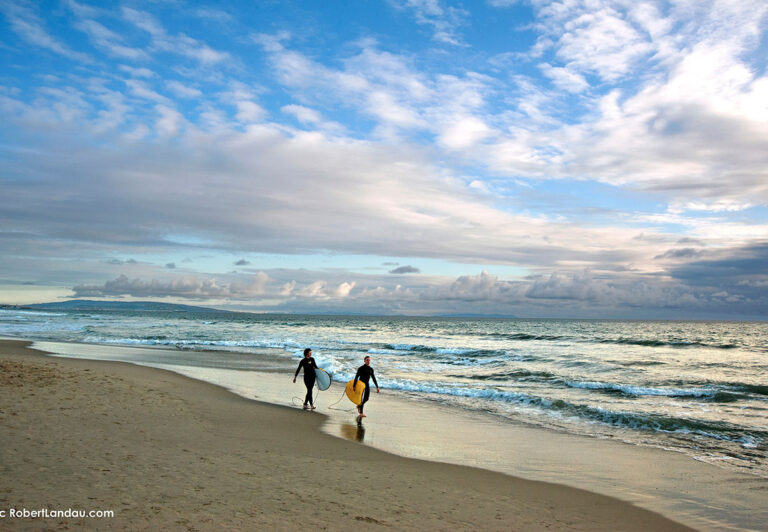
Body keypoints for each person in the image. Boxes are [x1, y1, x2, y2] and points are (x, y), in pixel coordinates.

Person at [353, 355, 379, 420]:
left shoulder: (371, 369)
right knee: (361, 398)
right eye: (367, 360)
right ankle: (361, 412)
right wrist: (354, 385)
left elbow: (373, 378)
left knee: (366, 398)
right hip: (361, 385)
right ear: (364, 361)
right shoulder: (360, 368)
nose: (368, 361)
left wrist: (377, 387)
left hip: (366, 384)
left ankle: (359, 406)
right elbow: (356, 377)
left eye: (369, 360)